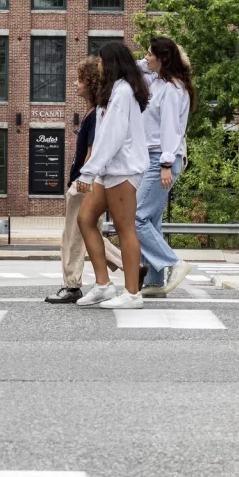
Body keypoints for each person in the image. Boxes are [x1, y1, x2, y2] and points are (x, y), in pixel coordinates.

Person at [76, 41, 151, 309]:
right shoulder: (113, 92)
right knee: (85, 219)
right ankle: (103, 285)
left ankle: (132, 293)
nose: (97, 65)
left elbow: (112, 138)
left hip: (122, 170)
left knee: (125, 229)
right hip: (109, 170)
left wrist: (88, 172)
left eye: (99, 60)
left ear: (111, 64)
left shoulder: (122, 92)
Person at [48, 57, 123, 304]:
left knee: (72, 236)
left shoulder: (95, 116)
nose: (75, 84)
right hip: (86, 182)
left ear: (90, 83)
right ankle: (132, 265)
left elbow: (92, 150)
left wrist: (81, 180)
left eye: (80, 80)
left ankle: (71, 286)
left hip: (83, 183)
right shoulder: (92, 113)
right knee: (86, 234)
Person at [136, 37, 196, 297]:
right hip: (152, 157)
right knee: (152, 219)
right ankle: (155, 280)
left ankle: (173, 262)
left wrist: (166, 164)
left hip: (162, 158)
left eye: (150, 54)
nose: (146, 58)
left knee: (135, 217)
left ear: (162, 60)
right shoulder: (156, 80)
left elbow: (172, 129)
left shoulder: (173, 89)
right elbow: (137, 66)